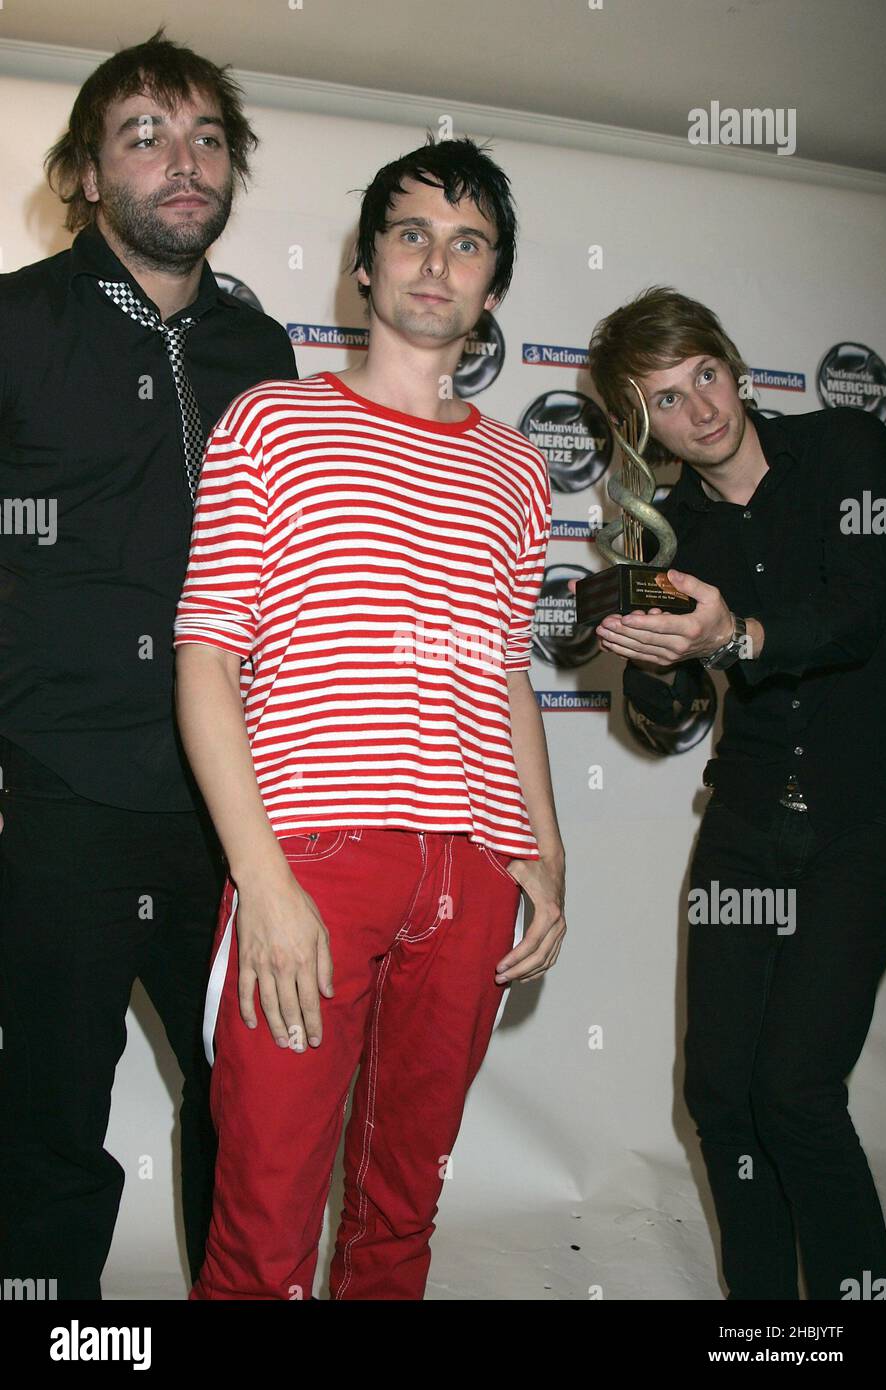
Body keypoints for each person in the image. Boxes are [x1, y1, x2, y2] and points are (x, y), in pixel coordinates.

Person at [173, 134, 566, 1301]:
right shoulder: (271, 425)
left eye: (466, 244)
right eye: (409, 234)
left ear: (491, 288)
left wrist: (542, 849)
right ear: (364, 265)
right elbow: (205, 663)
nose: (434, 263)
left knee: (400, 1220)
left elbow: (505, 677)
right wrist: (264, 881)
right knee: (261, 1230)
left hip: (474, 873)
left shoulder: (518, 474)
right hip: (312, 865)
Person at [0, 28, 298, 1301]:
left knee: (251, 1112)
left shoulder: (260, 354)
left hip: (227, 811)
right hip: (55, 796)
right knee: (49, 1125)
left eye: (207, 138)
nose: (183, 162)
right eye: (144, 135)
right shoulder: (12, 326)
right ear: (82, 172)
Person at [586, 286, 886, 1300]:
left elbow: (855, 611)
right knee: (719, 1094)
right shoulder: (662, 532)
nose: (699, 411)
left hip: (862, 821)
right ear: (640, 427)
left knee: (794, 1092)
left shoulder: (845, 449)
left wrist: (730, 636)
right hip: (745, 821)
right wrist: (649, 660)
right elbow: (660, 719)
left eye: (703, 376)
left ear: (732, 364)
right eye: (665, 401)